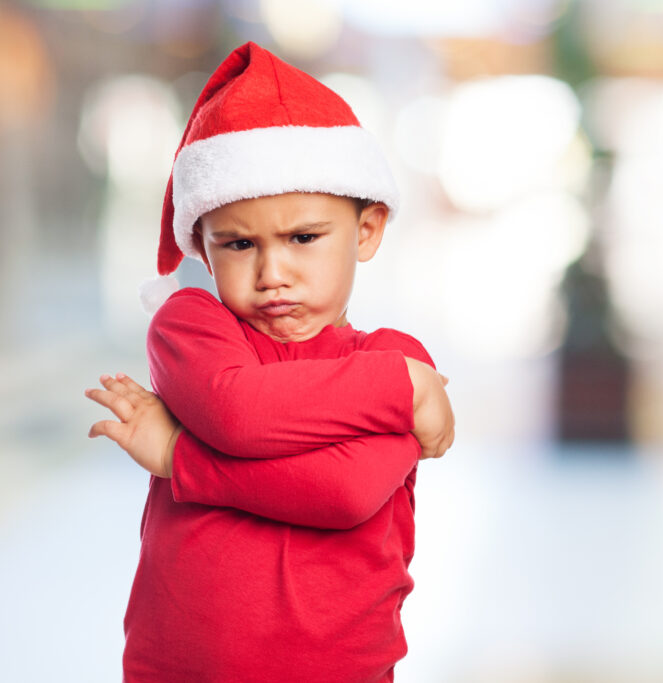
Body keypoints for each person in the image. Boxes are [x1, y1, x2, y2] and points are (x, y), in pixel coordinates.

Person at [84, 41, 455, 683]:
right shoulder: (192, 327)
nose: (272, 273)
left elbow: (345, 492)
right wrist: (402, 389)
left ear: (367, 230)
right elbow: (237, 411)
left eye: (303, 238)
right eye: (238, 244)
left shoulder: (394, 357)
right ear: (202, 246)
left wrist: (181, 457)